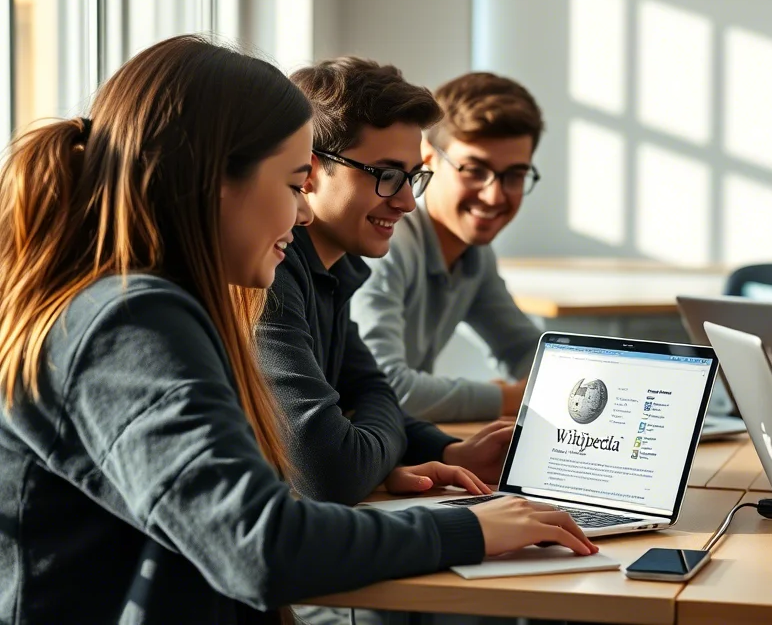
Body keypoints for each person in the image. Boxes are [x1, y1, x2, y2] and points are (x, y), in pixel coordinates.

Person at [0, 36, 594, 624]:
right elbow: (258, 543)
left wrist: (405, 458)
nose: (304, 211)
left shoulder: (150, 305)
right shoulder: (128, 323)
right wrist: (467, 527)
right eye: (291, 185)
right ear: (216, 180)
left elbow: (361, 402)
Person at [255, 57, 515, 505]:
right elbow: (332, 472)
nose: (408, 202)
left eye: (413, 178)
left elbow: (374, 393)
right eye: (388, 176)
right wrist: (380, 446)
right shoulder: (268, 277)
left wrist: (451, 451)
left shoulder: (335, 273)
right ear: (311, 171)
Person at [351, 72, 544, 422]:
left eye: (514, 175)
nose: (494, 195)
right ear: (427, 158)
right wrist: (507, 397)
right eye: (474, 170)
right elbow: (387, 387)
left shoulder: (474, 253)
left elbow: (526, 350)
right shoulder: (389, 245)